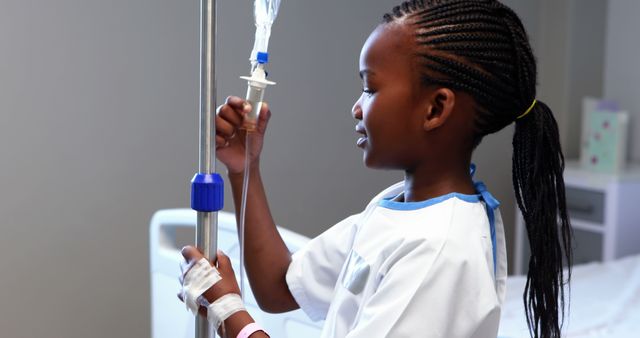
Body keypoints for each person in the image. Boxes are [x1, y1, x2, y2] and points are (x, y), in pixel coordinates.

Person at [178, 0, 572, 337]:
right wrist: (245, 170)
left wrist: (232, 316)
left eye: (370, 88)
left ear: (435, 108)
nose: (356, 107)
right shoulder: (398, 206)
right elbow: (280, 286)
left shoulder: (440, 249)